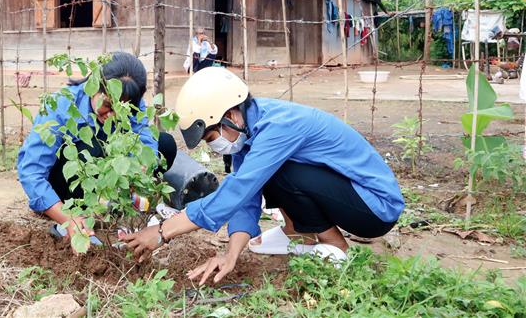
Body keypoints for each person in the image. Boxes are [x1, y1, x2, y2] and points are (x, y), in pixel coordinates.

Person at [121, 67, 404, 285]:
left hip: (375, 207)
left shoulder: (277, 127)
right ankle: (295, 232)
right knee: (268, 172)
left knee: (280, 171)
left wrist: (162, 232)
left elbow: (237, 191)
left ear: (231, 114)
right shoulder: (249, 133)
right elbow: (246, 200)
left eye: (212, 136)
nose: (215, 146)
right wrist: (230, 255)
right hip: (348, 195)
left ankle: (332, 244)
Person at [17, 52, 177, 243]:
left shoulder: (133, 103)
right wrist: (68, 220)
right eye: (107, 105)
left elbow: (145, 139)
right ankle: (71, 213)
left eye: (121, 110)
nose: (111, 116)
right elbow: (31, 172)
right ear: (94, 87)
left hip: (104, 184)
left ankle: (113, 207)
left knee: (164, 144)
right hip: (65, 184)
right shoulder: (61, 105)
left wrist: (140, 168)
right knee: (90, 148)